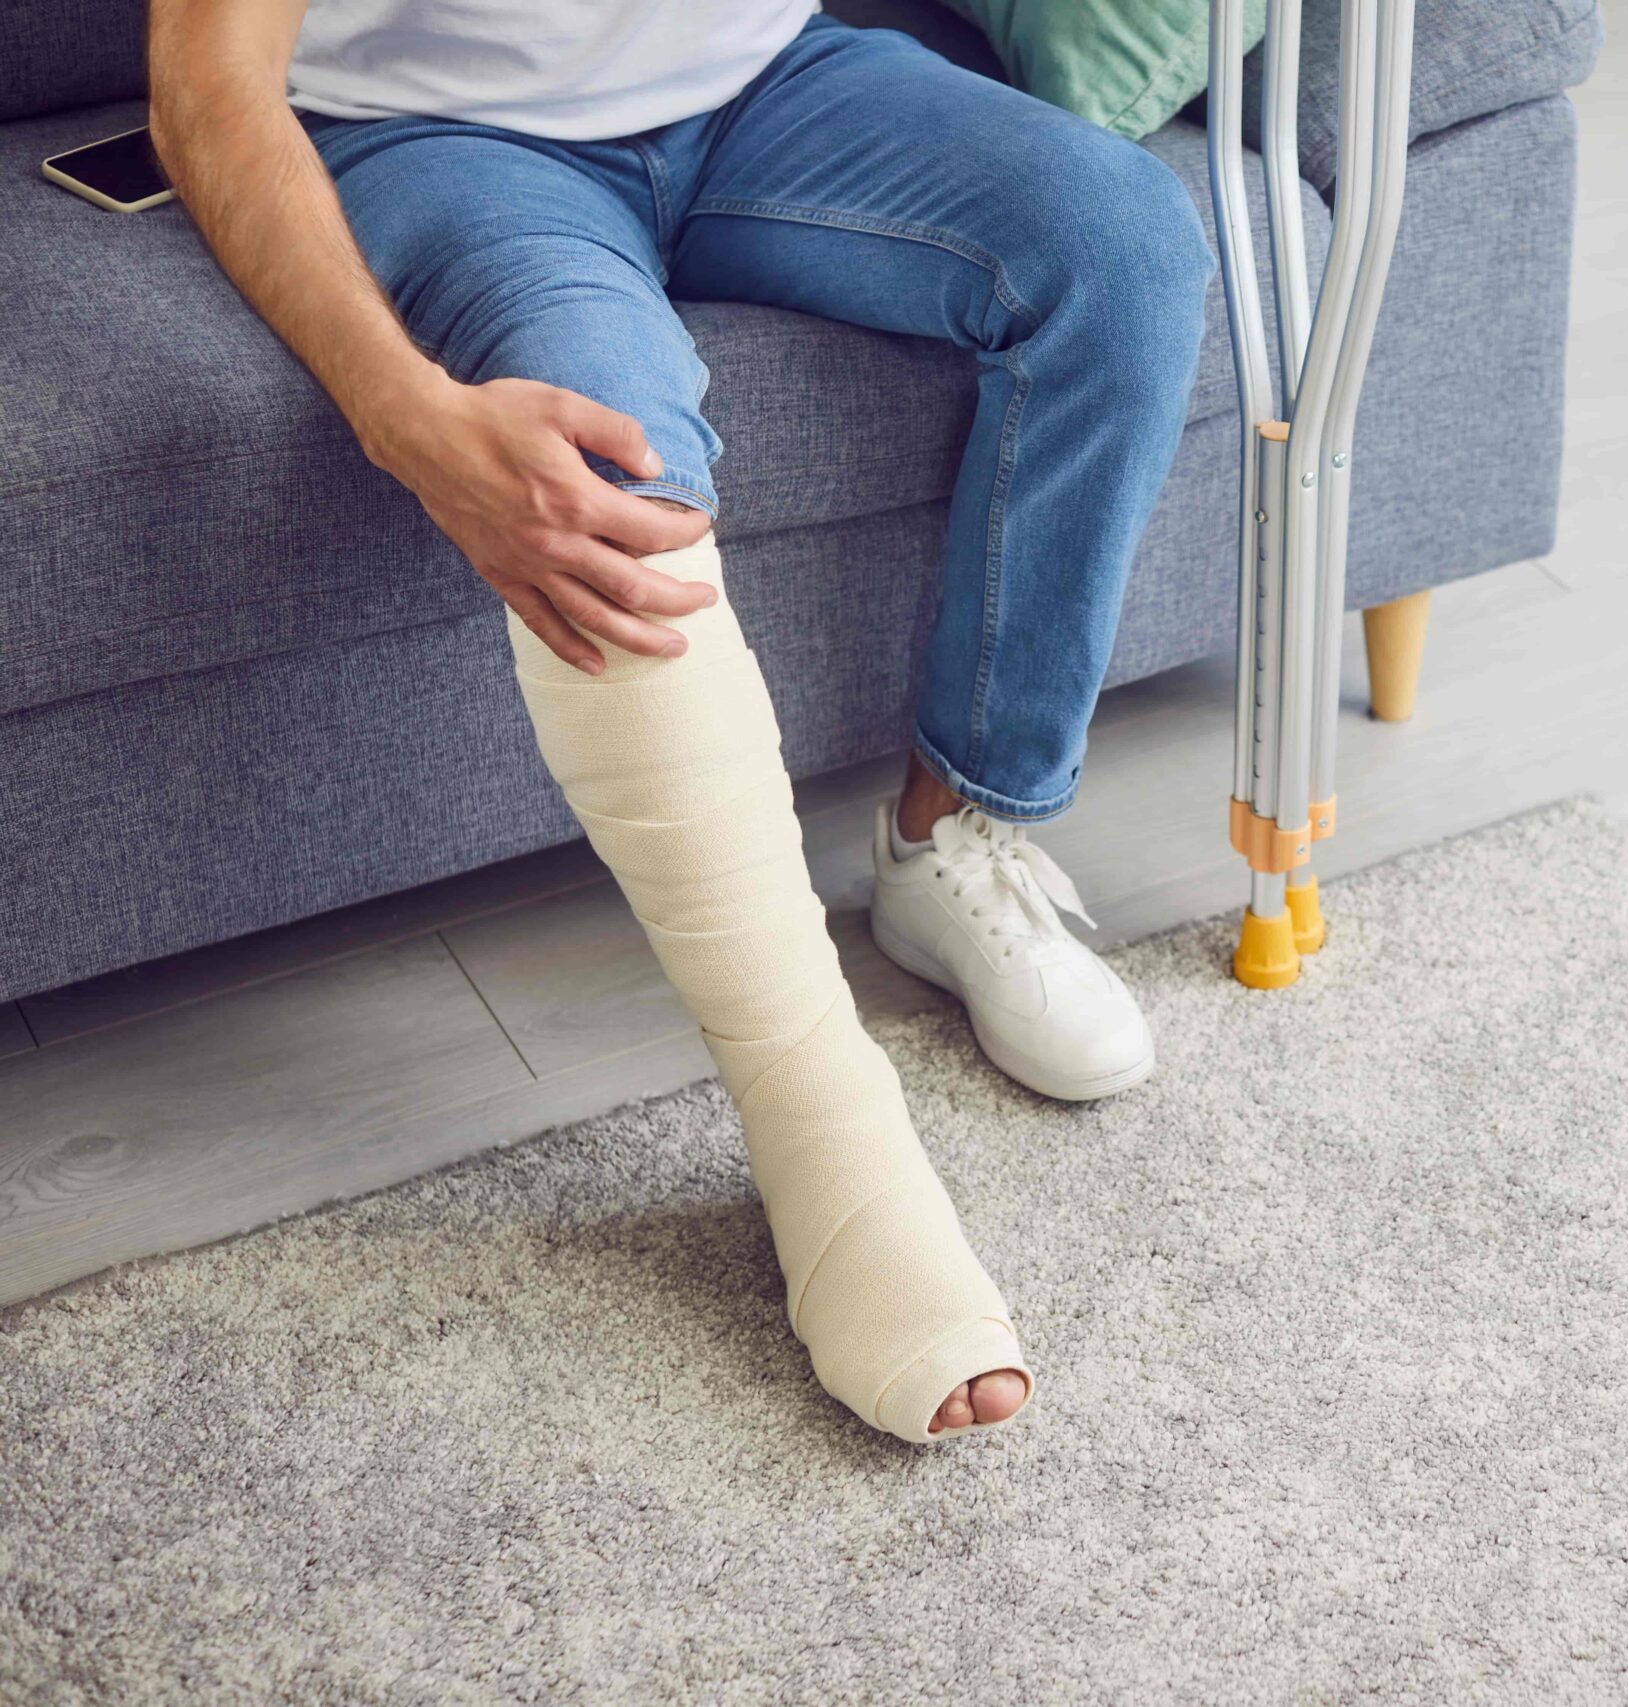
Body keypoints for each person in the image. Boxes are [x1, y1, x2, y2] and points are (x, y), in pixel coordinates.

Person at [148, 0, 1217, 1442]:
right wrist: (402, 415)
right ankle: (823, 1123)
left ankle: (953, 835)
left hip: (769, 77)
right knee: (609, 495)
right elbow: (206, 88)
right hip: (448, 140)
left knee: (1126, 241)